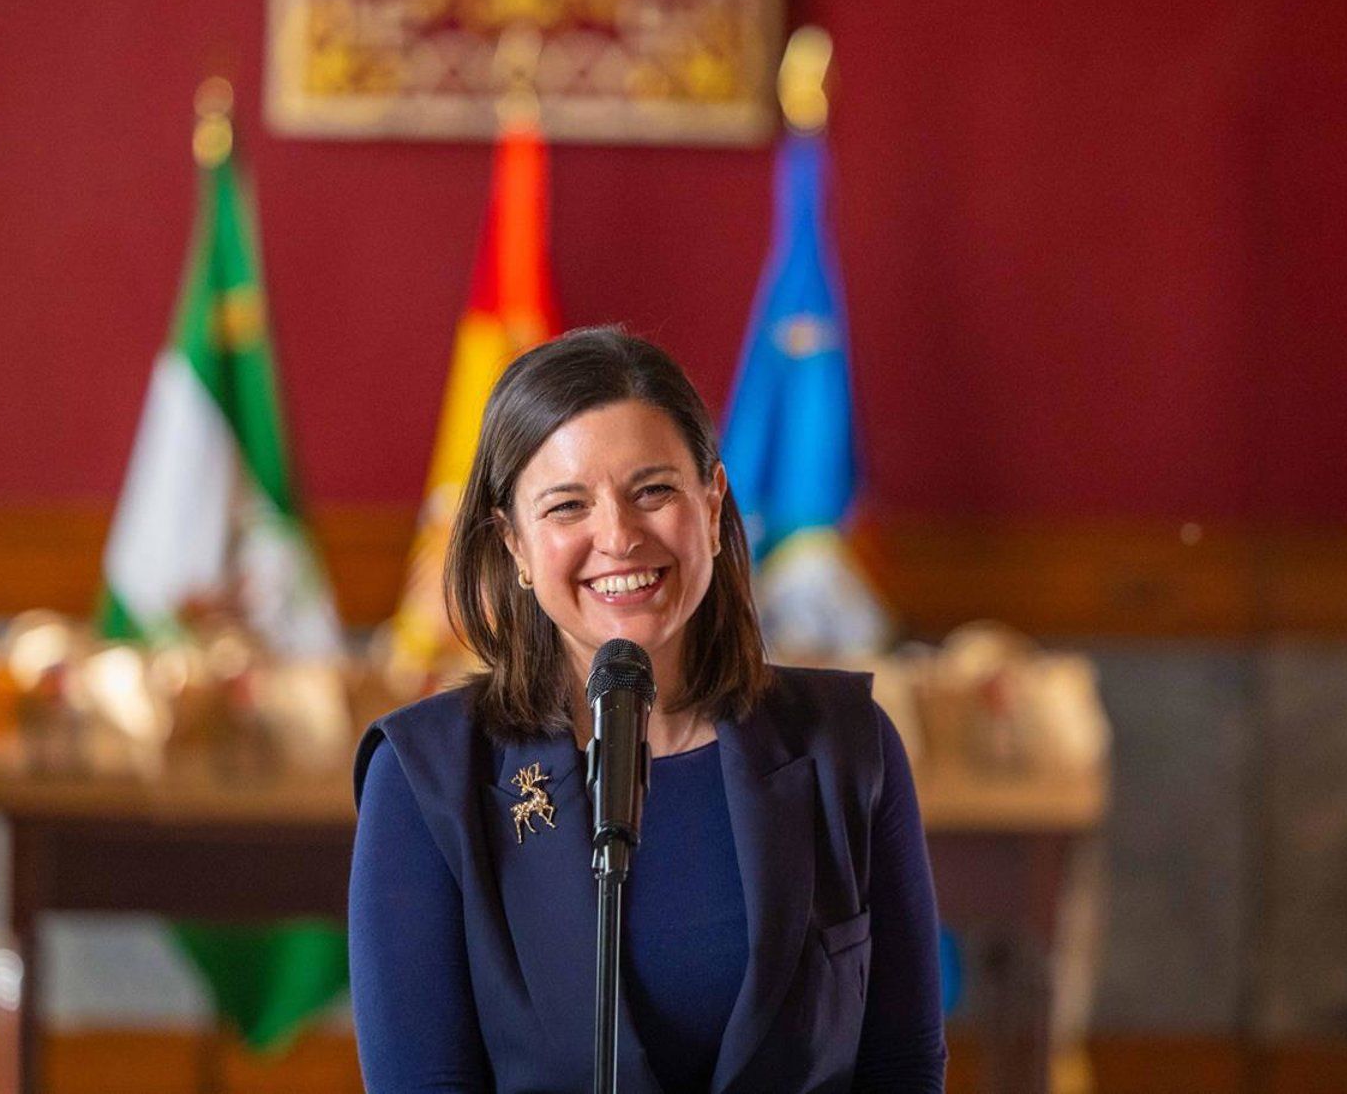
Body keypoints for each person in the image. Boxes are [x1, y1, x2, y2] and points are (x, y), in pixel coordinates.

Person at [349, 326, 947, 1093]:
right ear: (515, 546)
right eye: (568, 505)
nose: (620, 536)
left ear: (712, 499)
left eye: (653, 490)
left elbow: (902, 1068)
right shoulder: (426, 780)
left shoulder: (847, 744)